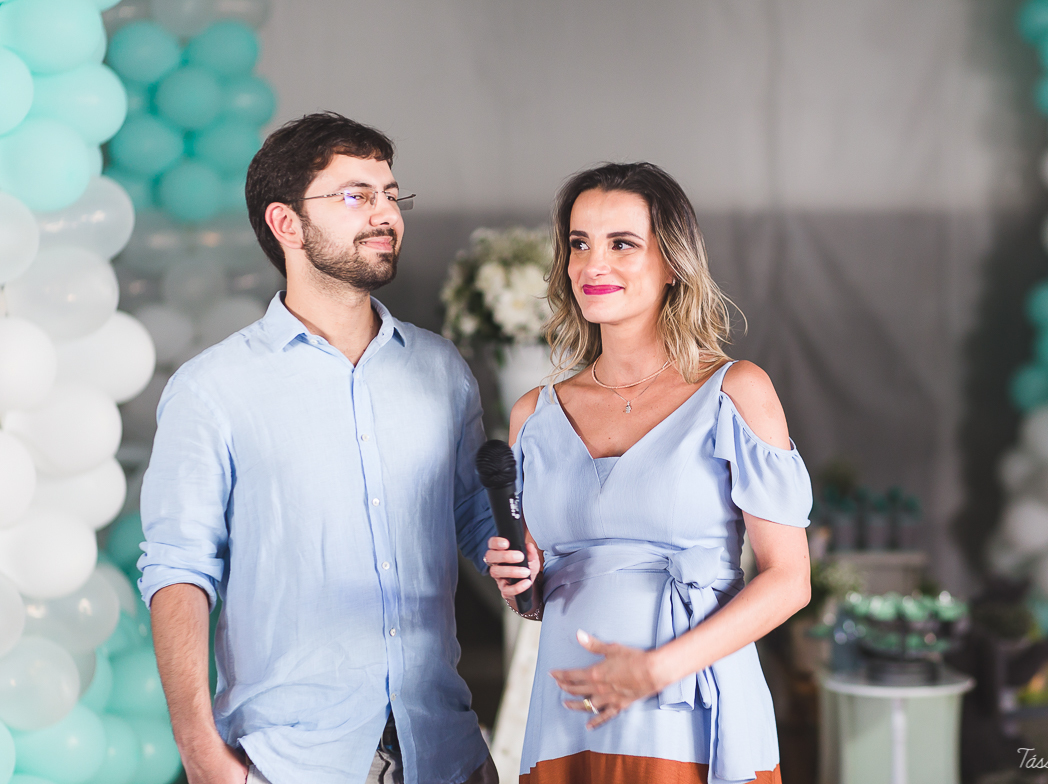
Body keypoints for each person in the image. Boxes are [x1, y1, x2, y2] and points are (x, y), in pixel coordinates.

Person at [138, 112, 499, 784]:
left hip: (446, 749)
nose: (386, 213)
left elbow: (477, 522)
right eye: (356, 195)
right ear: (286, 224)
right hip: (294, 762)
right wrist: (201, 754)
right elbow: (177, 570)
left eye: (391, 194)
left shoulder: (440, 367)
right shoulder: (213, 388)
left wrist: (524, 554)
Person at [485, 162, 813, 783]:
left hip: (687, 711)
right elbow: (538, 589)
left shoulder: (736, 392)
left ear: (673, 263)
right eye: (578, 244)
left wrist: (654, 671)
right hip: (565, 717)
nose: (591, 264)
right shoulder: (534, 413)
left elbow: (790, 580)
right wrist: (519, 578)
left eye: (622, 244)